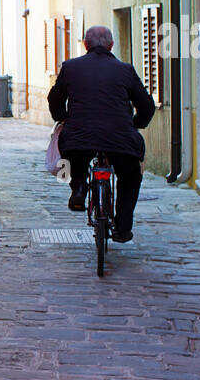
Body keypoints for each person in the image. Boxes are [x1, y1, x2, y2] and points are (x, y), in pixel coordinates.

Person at [47, 25, 155, 242]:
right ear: (111, 45)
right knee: (130, 175)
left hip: (79, 135)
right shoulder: (125, 70)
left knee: (74, 157)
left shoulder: (70, 67)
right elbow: (147, 105)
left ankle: (78, 186)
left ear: (85, 45)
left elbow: (54, 99)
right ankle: (123, 227)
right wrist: (136, 124)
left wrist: (63, 117)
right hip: (120, 136)